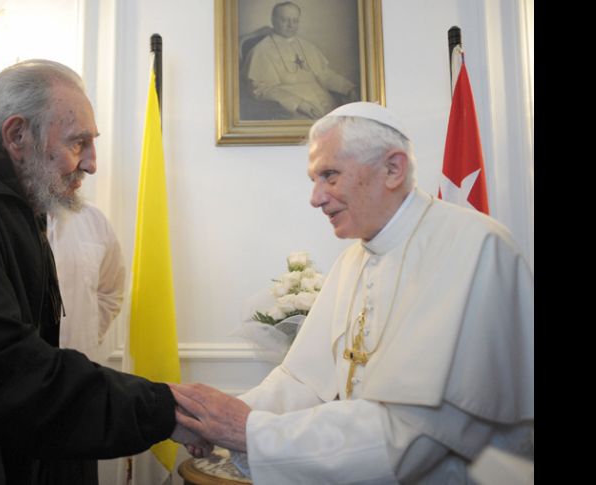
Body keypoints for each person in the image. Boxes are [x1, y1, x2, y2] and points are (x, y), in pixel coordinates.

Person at [172, 102, 534, 483]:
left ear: (392, 169)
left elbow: (410, 437)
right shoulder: (352, 262)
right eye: (315, 179)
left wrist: (248, 431)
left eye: (329, 176)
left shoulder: (475, 248)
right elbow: (304, 381)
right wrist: (213, 417)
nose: (315, 197)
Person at [0, 59, 203, 485]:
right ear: (18, 135)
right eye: (79, 143)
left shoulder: (4, 206)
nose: (91, 164)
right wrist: (161, 409)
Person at [242, 1, 358, 120]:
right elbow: (260, 89)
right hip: (291, 111)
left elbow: (325, 74)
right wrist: (298, 104)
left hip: (326, 104)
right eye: (284, 20)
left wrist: (348, 88)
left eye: (295, 21)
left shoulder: (308, 46)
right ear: (273, 20)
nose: (291, 25)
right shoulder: (261, 50)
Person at [47, 204, 125, 363]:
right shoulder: (9, 218)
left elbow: (111, 292)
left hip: (82, 363)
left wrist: (89, 334)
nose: (79, 181)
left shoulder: (95, 222)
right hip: (25, 370)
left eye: (80, 176)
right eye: (69, 176)